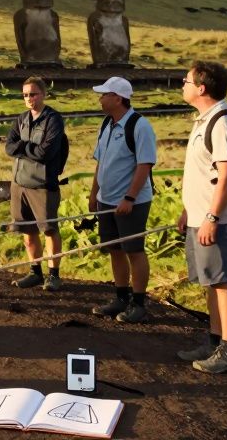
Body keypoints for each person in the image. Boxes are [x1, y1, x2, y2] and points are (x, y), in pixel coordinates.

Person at [176, 61, 227, 373]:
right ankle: (215, 340)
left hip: (219, 218)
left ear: (202, 87)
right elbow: (202, 174)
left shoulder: (224, 123)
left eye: (187, 80)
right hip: (200, 215)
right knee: (211, 282)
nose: (183, 83)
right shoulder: (204, 120)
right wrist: (189, 211)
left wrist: (212, 217)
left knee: (223, 281)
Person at [87, 77, 156, 323]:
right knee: (114, 250)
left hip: (131, 202)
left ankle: (138, 303)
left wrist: (129, 197)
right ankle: (120, 297)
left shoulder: (140, 126)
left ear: (118, 98)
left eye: (105, 94)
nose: (100, 98)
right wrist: (94, 193)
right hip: (107, 200)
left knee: (134, 250)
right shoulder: (106, 124)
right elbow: (101, 162)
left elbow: (144, 164)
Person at [4, 76, 67, 291]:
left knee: (49, 229)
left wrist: (23, 148)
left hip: (43, 185)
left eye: (33, 94)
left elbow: (45, 152)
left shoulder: (54, 120)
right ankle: (35, 271)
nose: (29, 98)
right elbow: (9, 147)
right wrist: (28, 148)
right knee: (27, 231)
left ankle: (54, 274)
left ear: (43, 94)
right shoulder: (21, 119)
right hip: (19, 183)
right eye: (25, 95)